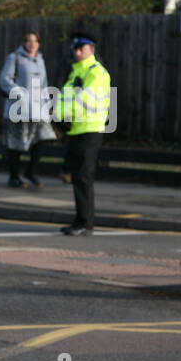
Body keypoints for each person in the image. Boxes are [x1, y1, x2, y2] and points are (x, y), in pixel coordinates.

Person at [56, 32, 111, 236]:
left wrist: (59, 114)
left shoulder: (96, 73)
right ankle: (80, 220)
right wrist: (56, 113)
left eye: (82, 49)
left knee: (83, 177)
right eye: (75, 49)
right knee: (77, 177)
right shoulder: (75, 73)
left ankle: (85, 223)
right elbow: (65, 99)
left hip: (89, 130)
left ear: (92, 50)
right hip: (76, 129)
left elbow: (84, 102)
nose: (78, 52)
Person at [0, 31, 55, 188]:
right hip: (18, 109)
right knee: (15, 143)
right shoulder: (14, 58)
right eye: (28, 41)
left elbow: (44, 84)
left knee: (44, 137)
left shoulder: (40, 60)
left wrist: (48, 104)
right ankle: (14, 176)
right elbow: (4, 80)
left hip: (38, 109)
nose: (32, 44)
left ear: (39, 43)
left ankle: (30, 171)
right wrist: (20, 93)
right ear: (24, 43)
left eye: (35, 41)